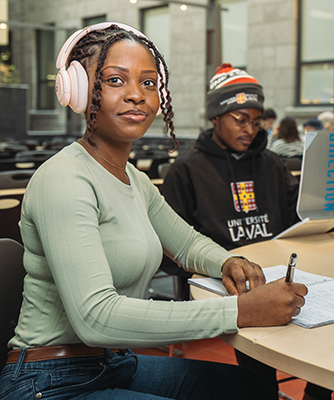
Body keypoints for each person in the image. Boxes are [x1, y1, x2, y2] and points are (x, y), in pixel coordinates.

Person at [0, 23, 308, 400]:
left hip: (111, 362)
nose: (136, 95)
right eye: (115, 80)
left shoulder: (133, 178)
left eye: (148, 83)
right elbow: (97, 318)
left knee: (253, 389)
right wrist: (239, 311)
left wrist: (230, 262)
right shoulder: (63, 179)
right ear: (78, 90)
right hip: (48, 379)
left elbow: (188, 244)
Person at [160, 63, 334, 400]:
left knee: (333, 329)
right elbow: (174, 246)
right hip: (226, 283)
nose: (250, 128)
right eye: (240, 119)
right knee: (257, 374)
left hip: (279, 272)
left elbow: (297, 219)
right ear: (216, 117)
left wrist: (333, 189)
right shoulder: (186, 170)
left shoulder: (272, 163)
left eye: (256, 120)